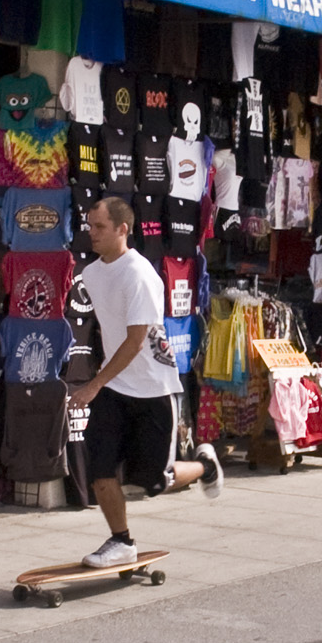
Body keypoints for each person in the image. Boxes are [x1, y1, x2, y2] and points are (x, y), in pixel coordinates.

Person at [67, 196, 222, 568]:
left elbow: (136, 341)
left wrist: (92, 384)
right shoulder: (91, 274)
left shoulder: (140, 275)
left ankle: (205, 466)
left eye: (100, 227)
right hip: (115, 388)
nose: (92, 233)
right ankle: (121, 541)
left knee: (153, 482)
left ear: (123, 229)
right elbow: (106, 327)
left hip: (153, 390)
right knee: (100, 468)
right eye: (89, 226)